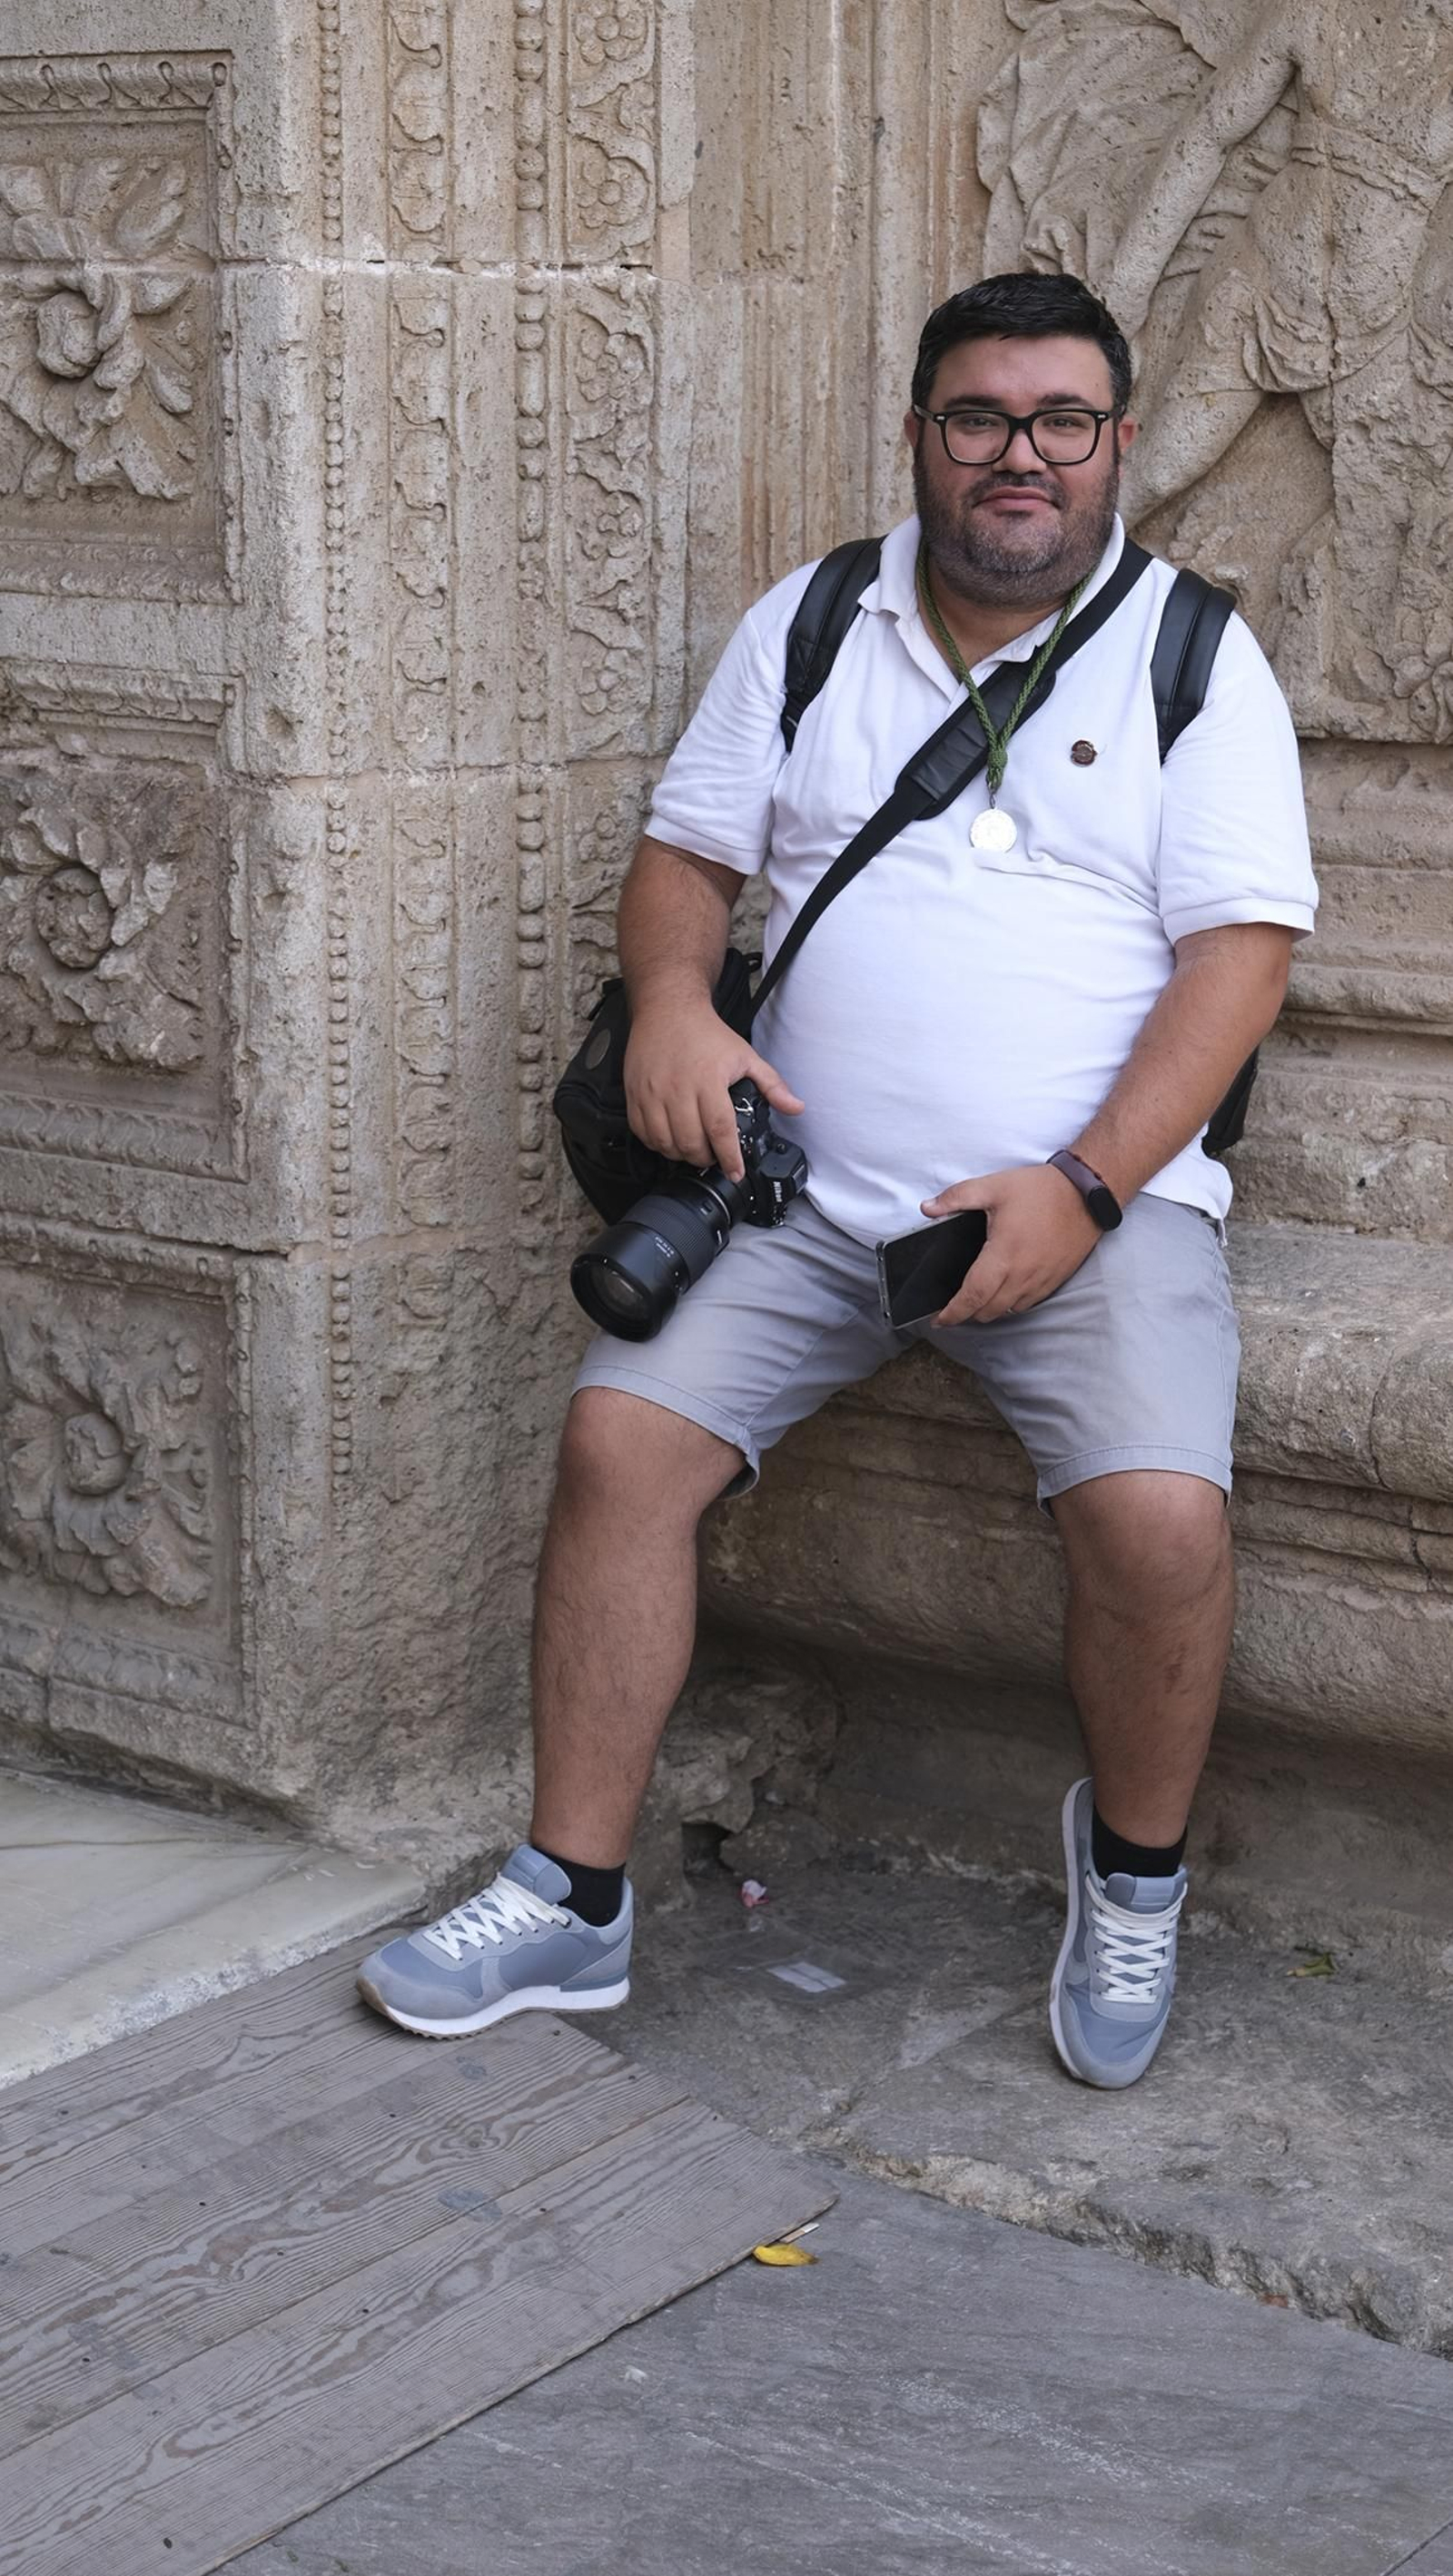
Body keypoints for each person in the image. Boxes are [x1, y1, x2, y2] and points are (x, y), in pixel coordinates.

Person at [358, 271, 1316, 2089]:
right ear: (918, 438)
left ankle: (1128, 1881)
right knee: (614, 1443)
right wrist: (663, 1006)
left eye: (1058, 422)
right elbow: (686, 862)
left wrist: (1090, 1190)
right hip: (797, 1194)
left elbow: (1235, 962)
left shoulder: (1192, 655)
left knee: (1160, 1523)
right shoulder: (812, 621)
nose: (1015, 457)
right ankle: (572, 1896)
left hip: (1084, 1213)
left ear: (1113, 447)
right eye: (977, 420)